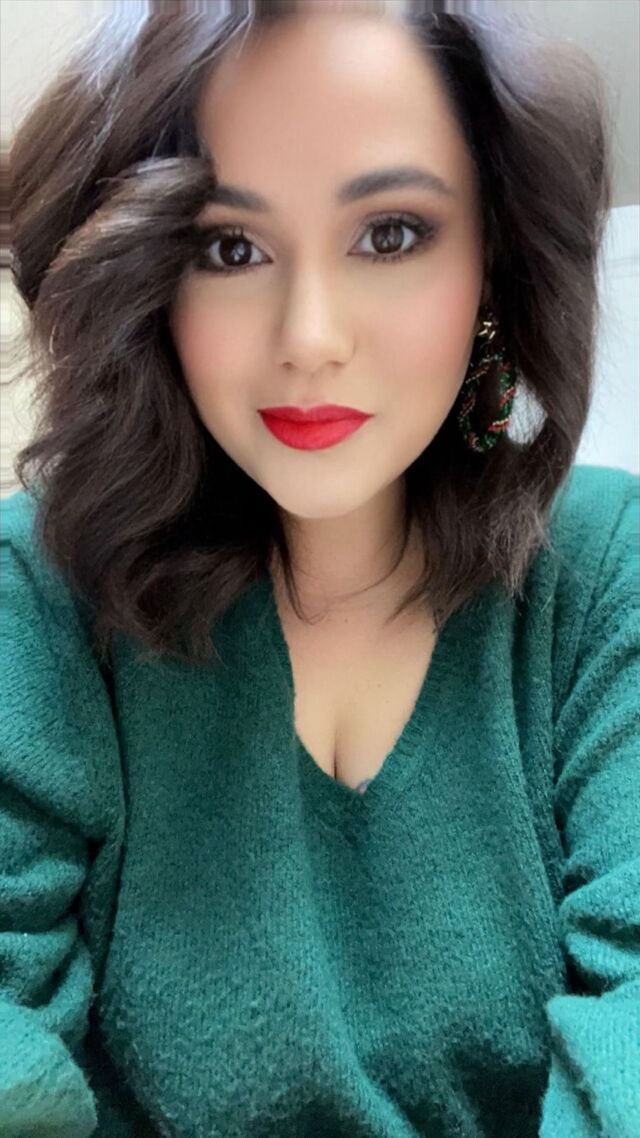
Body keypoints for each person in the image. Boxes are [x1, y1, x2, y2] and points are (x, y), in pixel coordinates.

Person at [1, 1, 638, 1135]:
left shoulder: (602, 573)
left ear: (490, 257)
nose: (309, 336)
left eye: (389, 234)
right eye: (230, 248)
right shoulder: (46, 586)